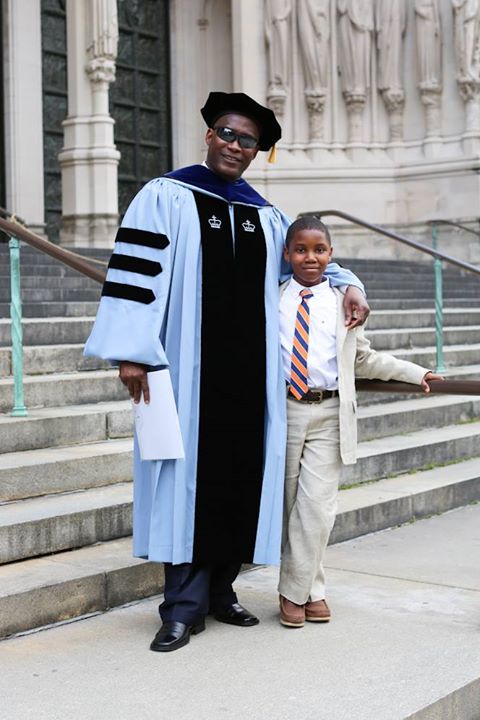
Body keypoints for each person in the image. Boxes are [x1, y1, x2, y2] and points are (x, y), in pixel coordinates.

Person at [84, 92, 369, 653]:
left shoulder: (268, 215)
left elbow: (310, 261)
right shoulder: (165, 196)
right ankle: (181, 608)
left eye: (248, 140)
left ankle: (221, 592)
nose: (235, 145)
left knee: (241, 478)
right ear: (209, 135)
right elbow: (135, 272)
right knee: (186, 483)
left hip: (253, 376)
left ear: (258, 151)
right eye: (227, 133)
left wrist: (351, 283)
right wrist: (132, 351)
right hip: (187, 371)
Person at [277, 216, 442, 628]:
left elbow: (364, 359)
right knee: (289, 506)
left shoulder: (343, 302)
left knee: (316, 509)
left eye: (319, 250)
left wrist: (415, 373)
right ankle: (312, 589)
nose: (310, 258)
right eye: (301, 250)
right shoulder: (272, 298)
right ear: (286, 254)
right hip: (284, 412)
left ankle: (291, 593)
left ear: (331, 255)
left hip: (330, 413)